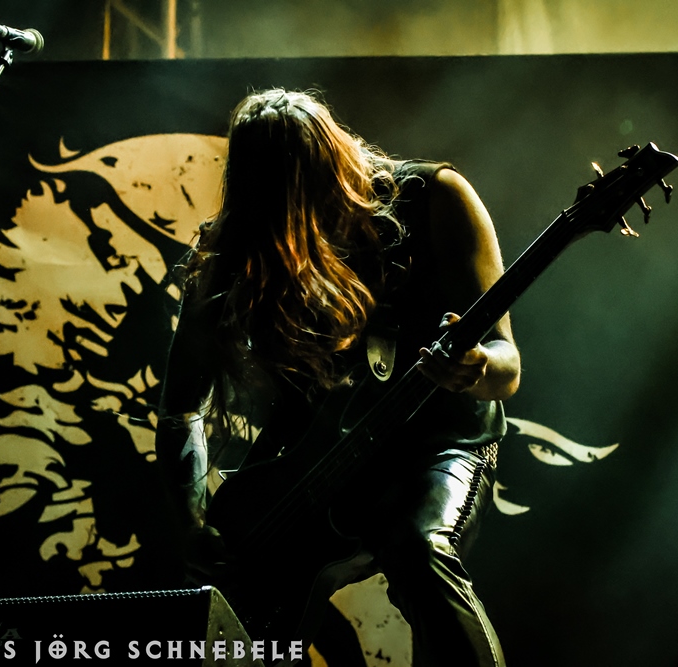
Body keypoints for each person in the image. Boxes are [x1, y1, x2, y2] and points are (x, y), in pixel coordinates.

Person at [155, 88, 520, 667]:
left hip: (439, 440)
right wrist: (192, 521)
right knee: (239, 610)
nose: (296, 228)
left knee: (418, 548)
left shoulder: (434, 198)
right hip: (321, 454)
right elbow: (179, 406)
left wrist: (474, 366)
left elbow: (506, 365)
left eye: (307, 203)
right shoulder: (237, 243)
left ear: (337, 172)